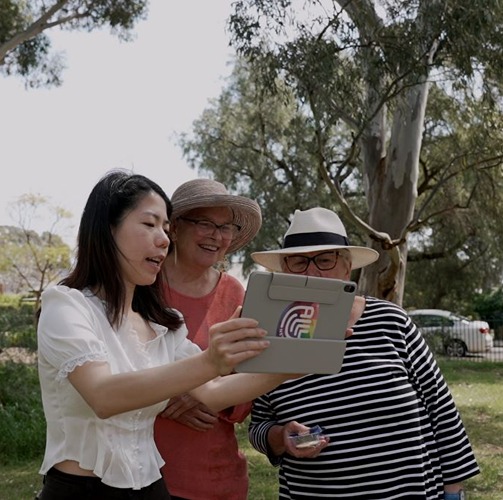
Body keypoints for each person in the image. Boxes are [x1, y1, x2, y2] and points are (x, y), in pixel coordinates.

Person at [35, 169, 294, 500]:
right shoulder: (66, 306)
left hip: (153, 489)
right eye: (149, 224)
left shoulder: (161, 323)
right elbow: (103, 396)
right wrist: (211, 361)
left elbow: (214, 393)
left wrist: (293, 365)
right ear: (107, 229)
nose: (163, 239)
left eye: (166, 229)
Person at [248, 207, 479, 500]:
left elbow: (441, 410)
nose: (312, 272)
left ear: (347, 268)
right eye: (299, 262)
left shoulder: (391, 321)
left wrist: (454, 494)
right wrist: (281, 437)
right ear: (284, 271)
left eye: (325, 260)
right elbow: (258, 427)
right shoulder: (270, 336)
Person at [153, 178, 262, 500]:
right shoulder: (142, 286)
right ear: (174, 228)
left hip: (218, 478)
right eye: (205, 223)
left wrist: (212, 398)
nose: (217, 235)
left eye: (226, 227)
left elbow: (249, 385)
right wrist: (164, 399)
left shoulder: (236, 293)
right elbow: (112, 369)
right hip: (144, 477)